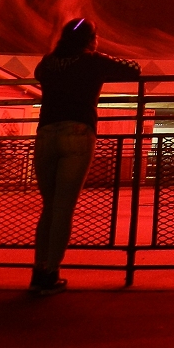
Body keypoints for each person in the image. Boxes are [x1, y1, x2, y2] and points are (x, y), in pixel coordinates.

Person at [31, 18, 139, 295]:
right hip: (78, 133)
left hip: (45, 134)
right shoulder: (92, 60)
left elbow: (37, 73)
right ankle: (51, 272)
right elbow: (133, 70)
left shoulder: (48, 62)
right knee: (63, 207)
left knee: (48, 206)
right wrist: (98, 56)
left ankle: (37, 270)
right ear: (91, 39)